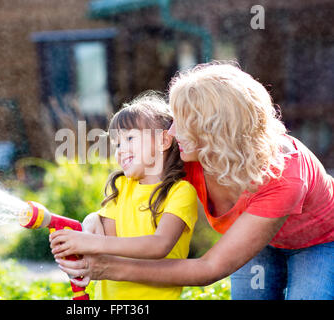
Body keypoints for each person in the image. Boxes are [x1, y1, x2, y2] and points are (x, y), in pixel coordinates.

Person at [52, 62, 334, 300]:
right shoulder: (188, 154)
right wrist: (92, 229)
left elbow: (208, 268)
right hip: (256, 241)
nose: (172, 131)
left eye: (183, 121)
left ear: (216, 128)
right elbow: (126, 197)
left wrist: (106, 268)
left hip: (318, 242)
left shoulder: (284, 174)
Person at [50, 92, 198, 299]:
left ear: (163, 141)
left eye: (129, 138)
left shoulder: (180, 192)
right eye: (117, 144)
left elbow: (160, 245)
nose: (120, 150)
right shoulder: (120, 186)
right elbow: (109, 248)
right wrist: (89, 231)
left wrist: (89, 242)